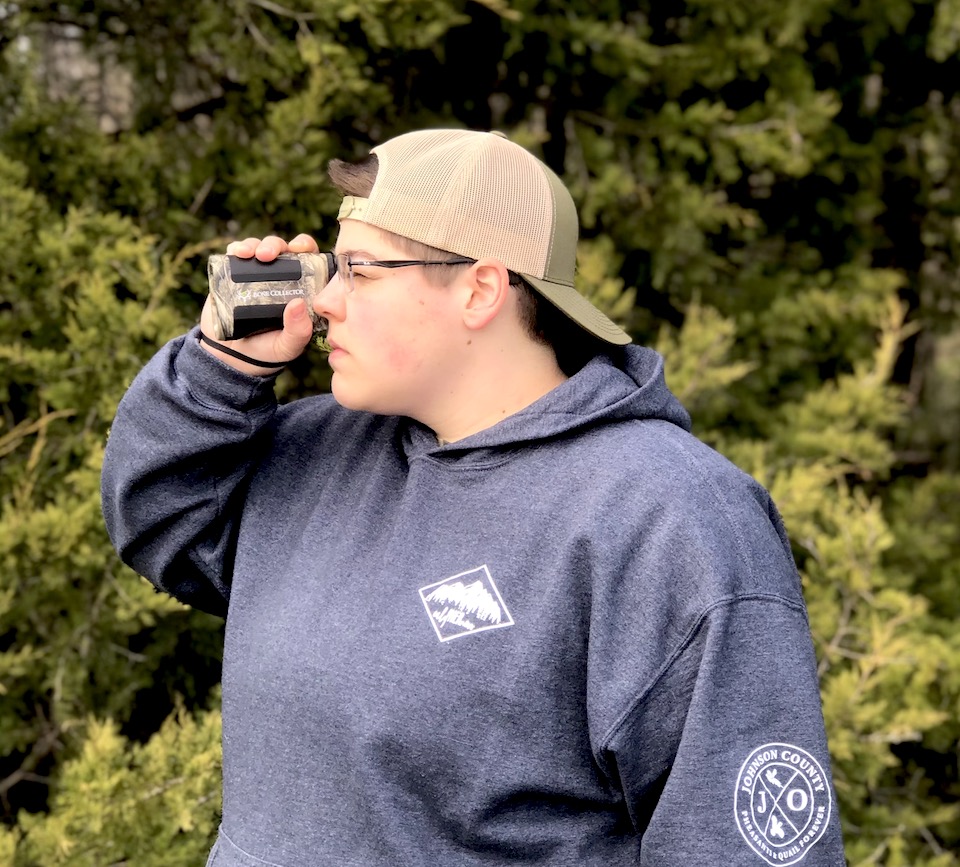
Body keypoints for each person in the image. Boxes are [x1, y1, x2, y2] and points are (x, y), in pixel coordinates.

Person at [101, 128, 846, 867]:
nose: (324, 299)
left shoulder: (670, 518)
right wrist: (220, 364)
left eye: (360, 270)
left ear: (480, 289)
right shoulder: (319, 450)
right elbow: (160, 524)